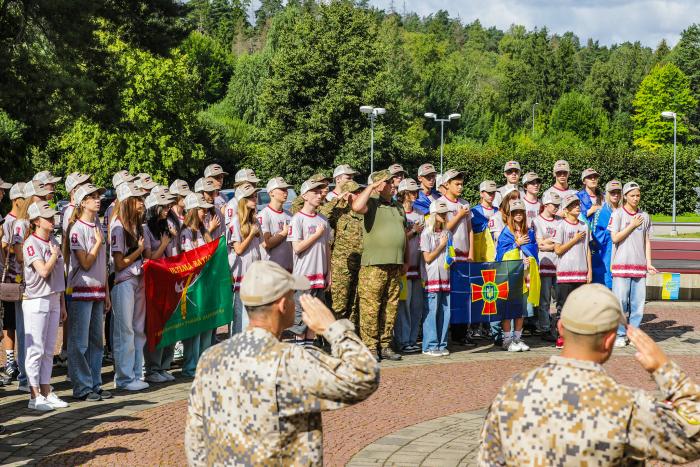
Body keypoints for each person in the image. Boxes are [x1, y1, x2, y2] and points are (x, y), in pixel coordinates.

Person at [479, 283, 700, 465]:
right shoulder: (626, 406)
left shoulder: (511, 393)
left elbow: (489, 461)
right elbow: (694, 438)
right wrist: (665, 369)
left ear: (562, 328)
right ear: (610, 340)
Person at [185, 260, 379, 466]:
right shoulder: (290, 360)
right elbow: (364, 375)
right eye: (292, 295)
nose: (295, 302)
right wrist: (333, 328)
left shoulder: (211, 358)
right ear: (282, 304)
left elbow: (196, 438)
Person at [65, 184, 113, 401]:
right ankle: (82, 386)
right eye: (92, 197)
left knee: (96, 341)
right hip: (82, 290)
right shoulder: (77, 229)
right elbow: (84, 263)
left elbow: (102, 265)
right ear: (82, 202)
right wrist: (97, 244)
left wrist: (107, 292)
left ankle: (95, 383)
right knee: (79, 342)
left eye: (98, 196)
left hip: (97, 290)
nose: (97, 200)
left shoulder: (98, 226)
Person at [352, 170, 406, 361]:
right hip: (374, 265)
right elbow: (357, 206)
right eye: (389, 182)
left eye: (394, 182)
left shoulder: (397, 206)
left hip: (395, 264)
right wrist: (372, 187)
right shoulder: (371, 203)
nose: (393, 185)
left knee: (390, 307)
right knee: (370, 307)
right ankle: (370, 347)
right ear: (379, 185)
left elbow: (402, 233)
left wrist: (404, 261)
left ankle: (385, 345)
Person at [22, 201, 69, 411]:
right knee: (36, 349)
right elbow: (43, 271)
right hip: (36, 299)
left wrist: (62, 302)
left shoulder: (53, 241)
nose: (52, 220)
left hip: (52, 297)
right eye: (48, 217)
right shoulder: (31, 243)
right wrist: (53, 255)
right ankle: (34, 395)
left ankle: (46, 390)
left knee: (49, 349)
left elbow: (58, 276)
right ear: (36, 221)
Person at [110, 181, 149, 391]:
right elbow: (118, 263)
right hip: (124, 281)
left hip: (137, 278)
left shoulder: (134, 225)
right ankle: (124, 378)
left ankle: (135, 373)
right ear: (128, 202)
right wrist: (139, 250)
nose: (142, 203)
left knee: (137, 328)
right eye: (138, 199)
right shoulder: (118, 226)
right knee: (125, 330)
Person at [609, 181, 657, 348]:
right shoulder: (617, 214)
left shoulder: (645, 216)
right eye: (632, 195)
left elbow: (647, 241)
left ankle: (634, 333)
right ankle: (620, 334)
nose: (636, 198)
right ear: (625, 196)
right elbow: (615, 238)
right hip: (621, 265)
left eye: (638, 195)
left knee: (638, 303)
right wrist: (632, 225)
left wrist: (649, 263)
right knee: (620, 302)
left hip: (639, 266)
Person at [287, 178, 331, 347]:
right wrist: (315, 235)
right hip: (303, 277)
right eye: (315, 192)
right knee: (301, 318)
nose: (319, 195)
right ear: (305, 195)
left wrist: (329, 274)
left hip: (319, 276)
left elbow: (327, 249)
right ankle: (300, 351)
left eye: (321, 192)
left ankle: (310, 349)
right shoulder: (297, 219)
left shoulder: (323, 220)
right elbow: (297, 248)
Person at [179, 193, 218, 377]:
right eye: (202, 209)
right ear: (194, 210)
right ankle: (190, 365)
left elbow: (213, 250)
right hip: (192, 284)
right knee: (194, 327)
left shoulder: (203, 231)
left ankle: (203, 362)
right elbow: (188, 258)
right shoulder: (185, 231)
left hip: (206, 282)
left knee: (207, 325)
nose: (205, 213)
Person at [142, 191, 178, 384]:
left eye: (168, 206)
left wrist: (170, 241)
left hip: (167, 279)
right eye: (163, 207)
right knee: (155, 325)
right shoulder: (146, 229)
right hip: (153, 281)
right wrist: (164, 244)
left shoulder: (167, 226)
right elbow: (149, 257)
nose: (167, 210)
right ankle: (152, 367)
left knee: (169, 323)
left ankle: (164, 365)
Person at [319, 180, 363, 326]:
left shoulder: (363, 211)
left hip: (361, 263)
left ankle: (350, 338)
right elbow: (322, 215)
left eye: (359, 192)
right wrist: (337, 199)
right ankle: (334, 338)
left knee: (354, 304)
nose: (358, 195)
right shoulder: (338, 211)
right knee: (339, 304)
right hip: (341, 265)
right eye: (354, 192)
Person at [495, 199, 535, 352]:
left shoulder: (529, 232)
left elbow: (533, 251)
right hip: (509, 275)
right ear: (510, 215)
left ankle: (517, 338)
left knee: (521, 309)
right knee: (508, 309)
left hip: (524, 275)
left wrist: (528, 258)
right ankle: (507, 340)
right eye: (515, 212)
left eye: (521, 212)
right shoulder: (506, 232)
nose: (518, 215)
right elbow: (500, 254)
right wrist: (516, 245)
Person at [554, 194, 591, 349]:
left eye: (578, 204)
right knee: (563, 307)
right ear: (566, 209)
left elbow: (587, 248)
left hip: (581, 272)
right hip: (565, 273)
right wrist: (574, 240)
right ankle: (562, 337)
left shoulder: (584, 225)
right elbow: (558, 250)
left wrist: (589, 271)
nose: (577, 207)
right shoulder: (561, 226)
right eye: (573, 205)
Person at [393, 178, 423, 353]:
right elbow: (398, 236)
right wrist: (412, 232)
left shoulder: (419, 213)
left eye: (416, 191)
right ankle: (403, 340)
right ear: (403, 193)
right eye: (412, 192)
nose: (415, 194)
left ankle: (412, 339)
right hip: (404, 266)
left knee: (416, 306)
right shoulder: (397, 212)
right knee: (404, 305)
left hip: (418, 265)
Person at [228, 183, 263, 335]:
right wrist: (251, 234)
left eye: (255, 196)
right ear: (243, 200)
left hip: (254, 270)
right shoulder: (236, 221)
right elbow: (239, 249)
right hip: (241, 272)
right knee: (240, 314)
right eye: (251, 197)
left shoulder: (253, 220)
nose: (255, 199)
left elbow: (261, 245)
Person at [419, 200, 451, 357]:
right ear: (433, 215)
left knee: (445, 312)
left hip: (446, 277)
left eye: (445, 214)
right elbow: (427, 258)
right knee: (431, 311)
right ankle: (430, 345)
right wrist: (441, 245)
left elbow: (450, 254)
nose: (444, 216)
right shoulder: (426, 234)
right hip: (431, 277)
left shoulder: (447, 233)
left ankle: (441, 343)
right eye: (441, 214)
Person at [2, 182, 26, 387]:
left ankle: (18, 359)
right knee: (9, 322)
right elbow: (5, 246)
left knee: (19, 321)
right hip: (11, 278)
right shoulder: (9, 220)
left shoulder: (21, 220)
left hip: (21, 279)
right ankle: (10, 360)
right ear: (16, 199)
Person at [531, 191, 562, 341]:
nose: (556, 207)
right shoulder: (537, 221)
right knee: (544, 299)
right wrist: (554, 242)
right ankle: (544, 328)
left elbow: (558, 243)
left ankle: (559, 327)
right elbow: (539, 244)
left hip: (559, 263)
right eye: (553, 205)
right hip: (544, 263)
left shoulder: (560, 220)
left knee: (560, 299)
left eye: (558, 205)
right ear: (546, 204)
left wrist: (548, 242)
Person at [592, 180, 622, 289]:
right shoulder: (602, 211)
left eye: (618, 192)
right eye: (612, 192)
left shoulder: (623, 210)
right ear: (607, 193)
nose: (616, 195)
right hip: (605, 254)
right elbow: (596, 237)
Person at [259, 177, 293, 271]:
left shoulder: (290, 215)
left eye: (286, 189)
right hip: (272, 271)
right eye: (282, 189)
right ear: (271, 193)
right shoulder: (264, 215)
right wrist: (284, 233)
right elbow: (266, 243)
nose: (285, 192)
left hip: (289, 270)